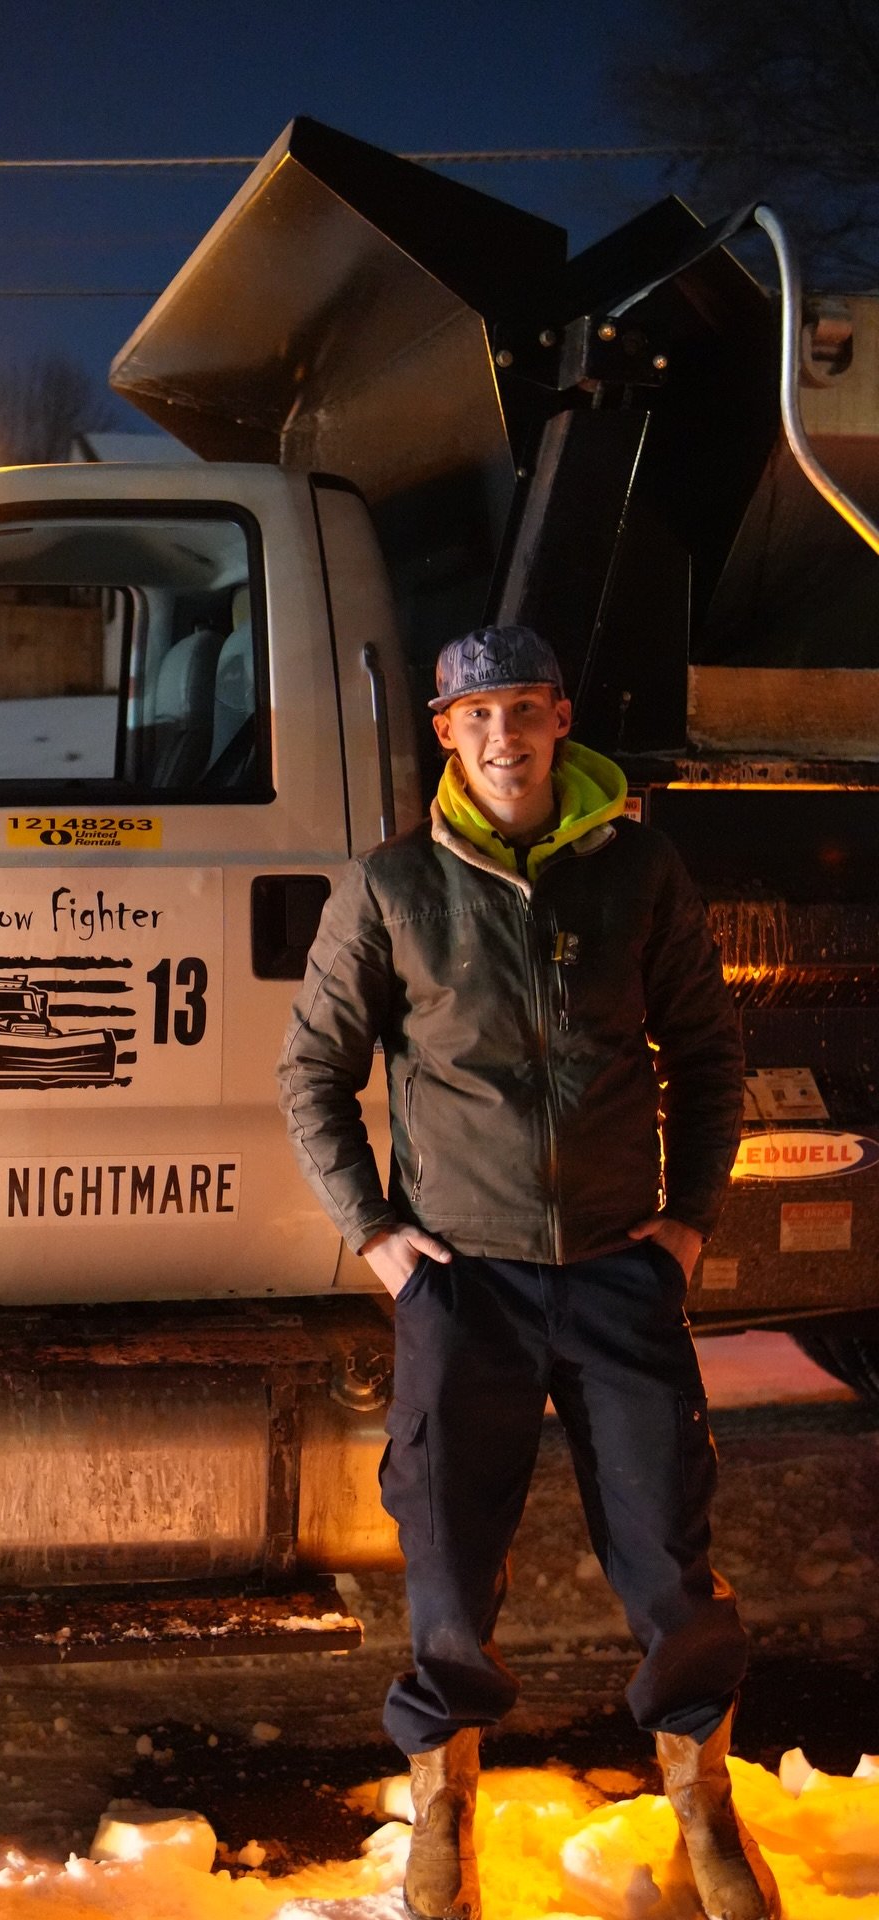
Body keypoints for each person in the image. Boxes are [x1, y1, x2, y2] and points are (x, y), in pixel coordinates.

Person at [278, 625, 779, 1920]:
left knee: (668, 1552)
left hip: (619, 1271)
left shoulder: (640, 872)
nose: (502, 734)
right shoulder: (392, 886)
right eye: (476, 714)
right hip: (467, 1283)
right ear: (446, 733)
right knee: (448, 1559)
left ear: (561, 719)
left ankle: (702, 1802)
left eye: (522, 708)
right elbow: (312, 1074)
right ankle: (445, 1812)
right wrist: (380, 1237)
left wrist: (688, 1223)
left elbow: (709, 1055)